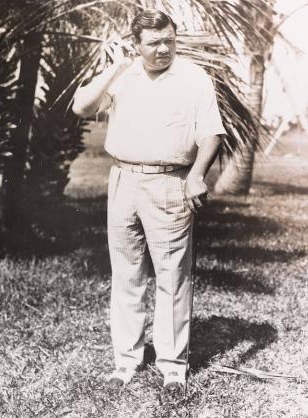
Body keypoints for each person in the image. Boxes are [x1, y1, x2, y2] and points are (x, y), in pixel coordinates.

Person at [73, 9, 226, 391]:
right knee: (126, 274)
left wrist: (196, 176)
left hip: (170, 183)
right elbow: (81, 107)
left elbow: (211, 134)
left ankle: (172, 366)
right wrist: (115, 69)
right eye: (153, 43)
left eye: (169, 40)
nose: (163, 49)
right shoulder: (122, 76)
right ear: (135, 45)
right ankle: (126, 361)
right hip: (123, 180)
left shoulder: (194, 79)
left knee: (173, 276)